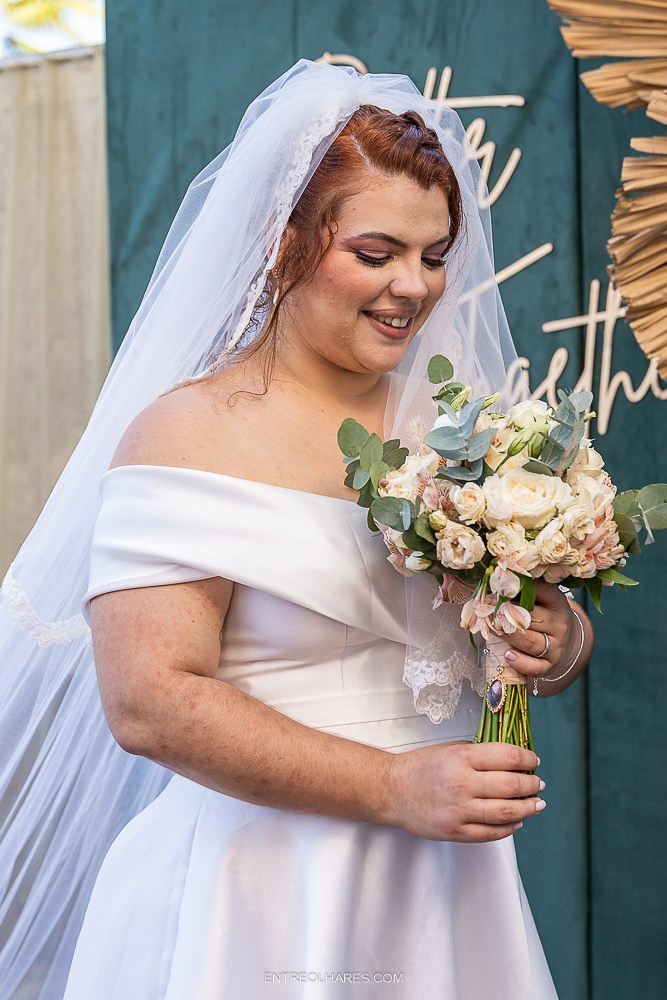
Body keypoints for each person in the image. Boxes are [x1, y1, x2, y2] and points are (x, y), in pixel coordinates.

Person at [0, 61, 593, 999]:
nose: (414, 285)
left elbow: (526, 639)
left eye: (435, 255)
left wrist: (556, 638)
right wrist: (397, 787)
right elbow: (148, 704)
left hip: (446, 883)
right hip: (258, 886)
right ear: (283, 246)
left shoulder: (461, 429)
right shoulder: (189, 432)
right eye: (375, 251)